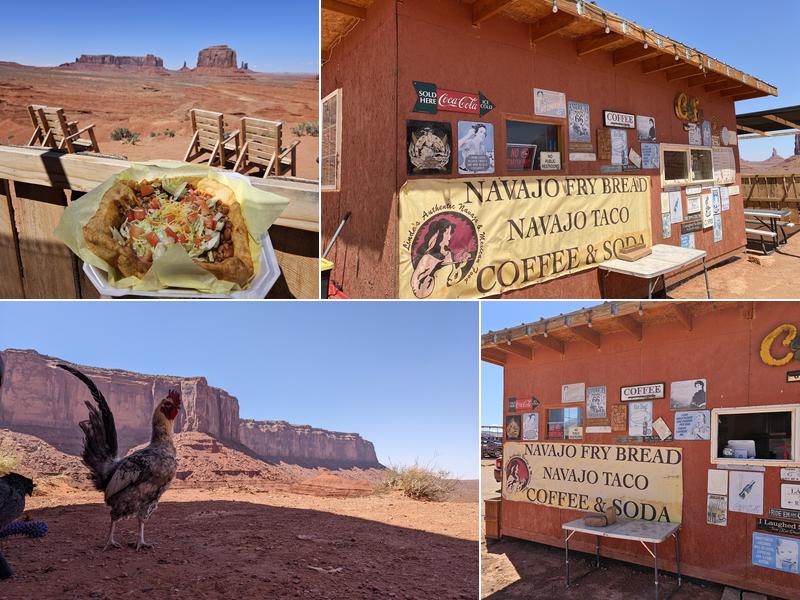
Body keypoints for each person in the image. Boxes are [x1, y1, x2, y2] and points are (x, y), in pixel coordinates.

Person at [410, 219, 472, 299]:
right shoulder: (427, 257)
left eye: (450, 233)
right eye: (447, 233)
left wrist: (460, 266)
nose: (449, 237)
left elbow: (451, 280)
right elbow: (415, 282)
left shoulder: (448, 254)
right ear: (439, 234)